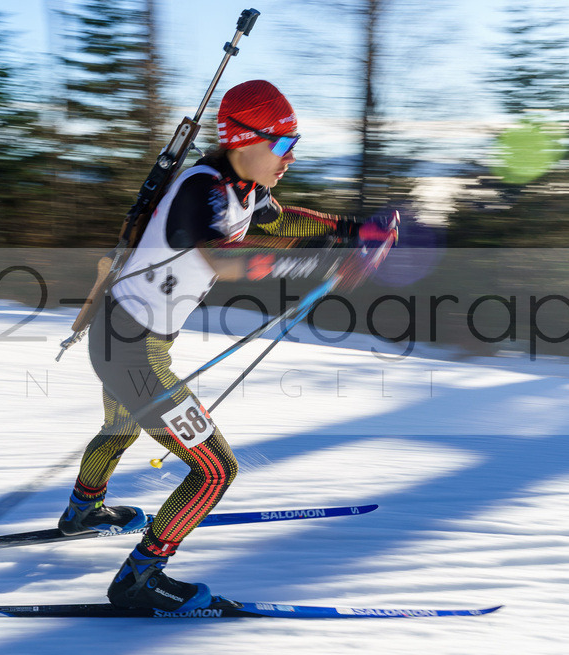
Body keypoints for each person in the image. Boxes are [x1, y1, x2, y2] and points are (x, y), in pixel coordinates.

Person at [57, 80, 399, 612]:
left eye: (294, 144)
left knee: (120, 427)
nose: (290, 157)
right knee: (215, 470)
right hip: (130, 348)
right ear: (245, 142)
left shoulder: (242, 187)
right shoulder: (202, 189)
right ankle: (139, 580)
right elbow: (224, 259)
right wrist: (329, 265)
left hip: (125, 335)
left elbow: (278, 218)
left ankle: (83, 511)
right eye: (283, 145)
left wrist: (351, 230)